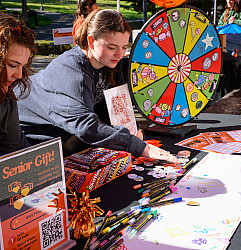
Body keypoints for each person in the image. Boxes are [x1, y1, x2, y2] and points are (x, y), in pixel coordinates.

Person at [17, 9, 178, 163]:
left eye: (124, 47)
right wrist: (138, 146)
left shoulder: (109, 63)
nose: (119, 54)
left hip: (62, 138)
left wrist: (131, 132)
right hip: (28, 142)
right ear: (91, 41)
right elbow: (85, 126)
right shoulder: (71, 70)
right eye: (112, 47)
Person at [0, 12, 36, 156]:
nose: (19, 75)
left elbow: (17, 152)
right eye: (13, 65)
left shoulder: (6, 99)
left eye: (22, 67)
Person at [217, 0, 241, 90]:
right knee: (228, 67)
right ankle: (229, 87)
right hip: (227, 45)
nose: (229, 1)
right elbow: (220, 25)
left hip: (238, 45)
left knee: (238, 65)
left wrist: (235, 21)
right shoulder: (225, 12)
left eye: (231, 0)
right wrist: (227, 24)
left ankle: (237, 86)